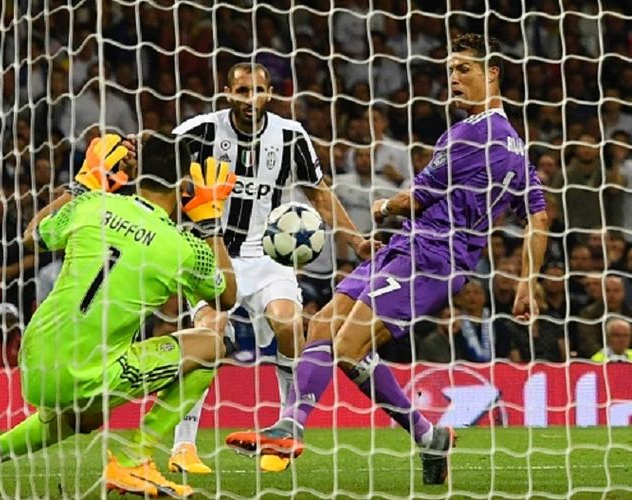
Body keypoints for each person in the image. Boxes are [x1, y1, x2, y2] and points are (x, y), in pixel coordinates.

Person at [225, 33, 549, 485]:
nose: (453, 78)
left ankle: (290, 426)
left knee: (347, 345)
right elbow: (537, 215)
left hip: (434, 258)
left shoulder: (472, 136)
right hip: (407, 249)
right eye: (450, 70)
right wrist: (527, 280)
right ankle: (428, 436)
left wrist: (381, 209)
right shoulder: (513, 143)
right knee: (321, 328)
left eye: (464, 69)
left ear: (491, 73)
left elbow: (413, 200)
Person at [0, 133, 238, 498]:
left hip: (35, 360)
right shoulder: (182, 246)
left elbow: (32, 235)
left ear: (134, 173)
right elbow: (226, 298)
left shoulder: (93, 205)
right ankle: (133, 459)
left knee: (81, 418)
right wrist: (209, 225)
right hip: (90, 372)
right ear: (184, 185)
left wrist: (81, 187)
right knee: (214, 344)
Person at [168, 62, 370, 473]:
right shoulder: (199, 131)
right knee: (208, 334)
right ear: (227, 93)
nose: (250, 100)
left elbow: (320, 194)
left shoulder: (290, 136)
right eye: (242, 92)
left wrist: (355, 239)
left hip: (268, 253)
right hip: (212, 252)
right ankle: (182, 447)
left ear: (270, 94)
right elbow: (158, 171)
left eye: (258, 91)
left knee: (288, 324)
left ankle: (284, 435)